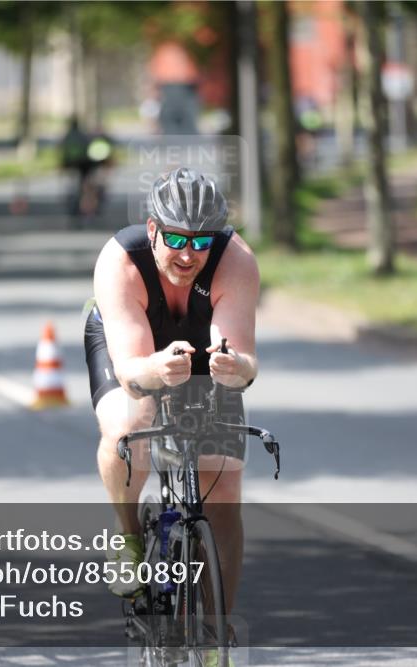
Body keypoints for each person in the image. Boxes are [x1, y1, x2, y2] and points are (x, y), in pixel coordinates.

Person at [84, 167, 259, 611]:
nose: (188, 254)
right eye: (176, 239)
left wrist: (233, 366)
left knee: (223, 485)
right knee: (128, 425)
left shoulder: (235, 259)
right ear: (152, 229)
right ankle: (128, 536)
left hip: (198, 347)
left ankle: (220, 629)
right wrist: (155, 371)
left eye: (201, 242)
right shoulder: (120, 261)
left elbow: (245, 365)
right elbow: (130, 372)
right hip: (130, 347)